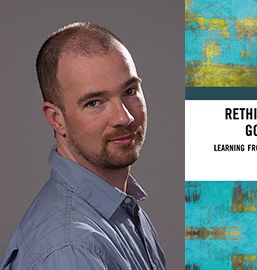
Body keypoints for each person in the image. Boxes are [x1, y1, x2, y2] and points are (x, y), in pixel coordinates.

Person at [0, 22, 166, 270]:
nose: (124, 117)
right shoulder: (69, 248)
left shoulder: (122, 209)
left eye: (129, 90)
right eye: (94, 103)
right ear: (57, 119)